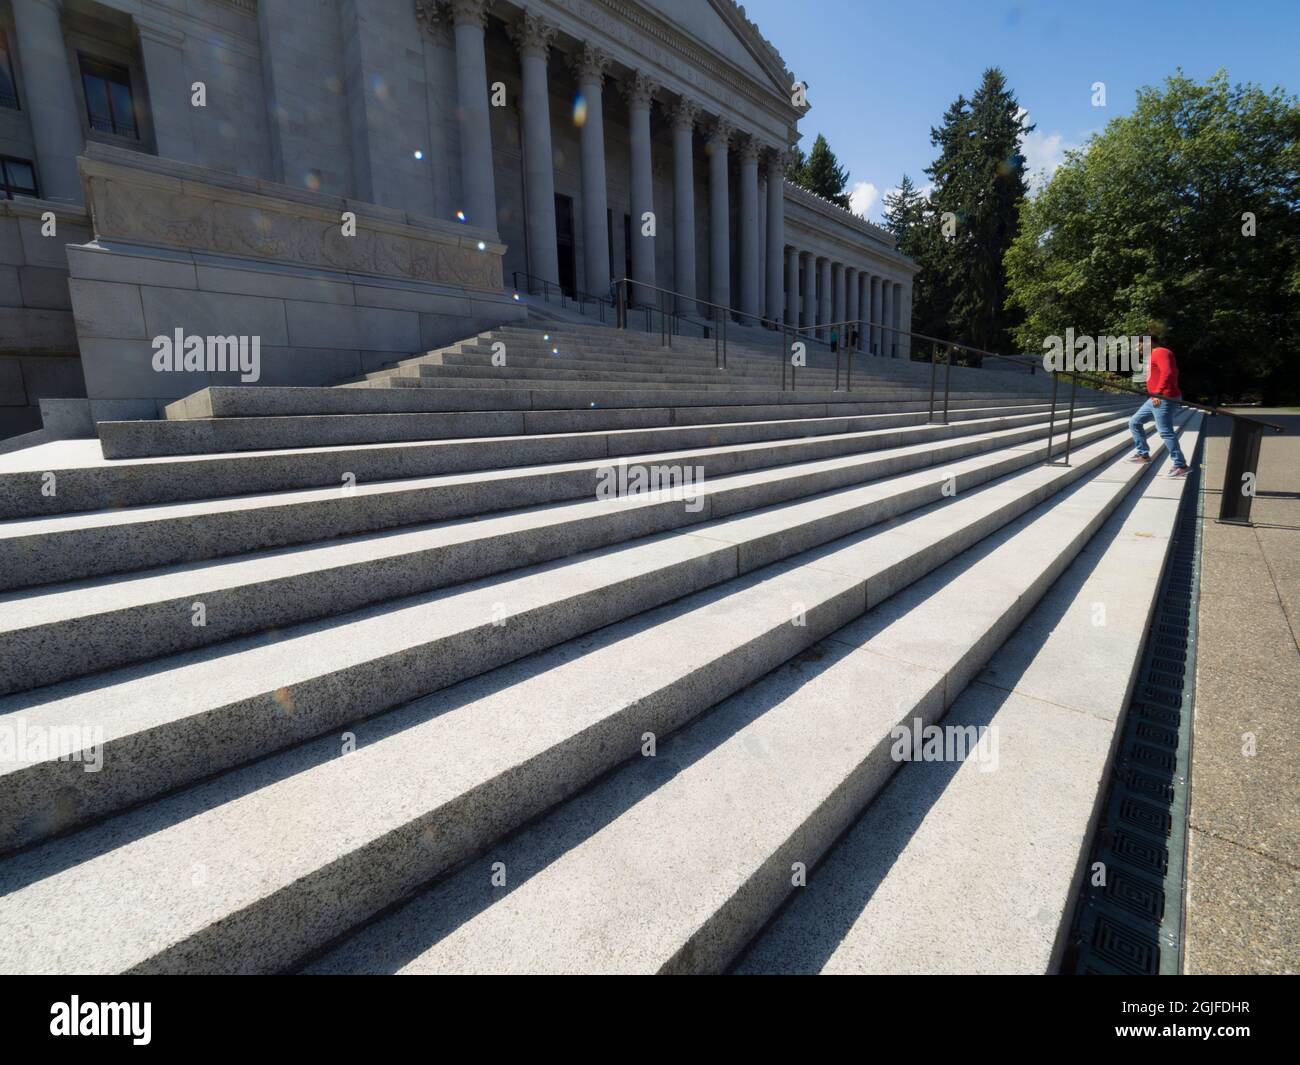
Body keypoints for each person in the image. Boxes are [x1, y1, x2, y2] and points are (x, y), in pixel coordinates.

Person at [1129, 340, 1190, 475]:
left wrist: (1158, 392)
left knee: (1165, 431)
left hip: (1163, 398)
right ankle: (1143, 454)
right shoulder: (1153, 355)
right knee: (1134, 422)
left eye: (1138, 344)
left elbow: (1167, 373)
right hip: (1156, 398)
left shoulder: (1161, 352)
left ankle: (1181, 465)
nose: (1137, 348)